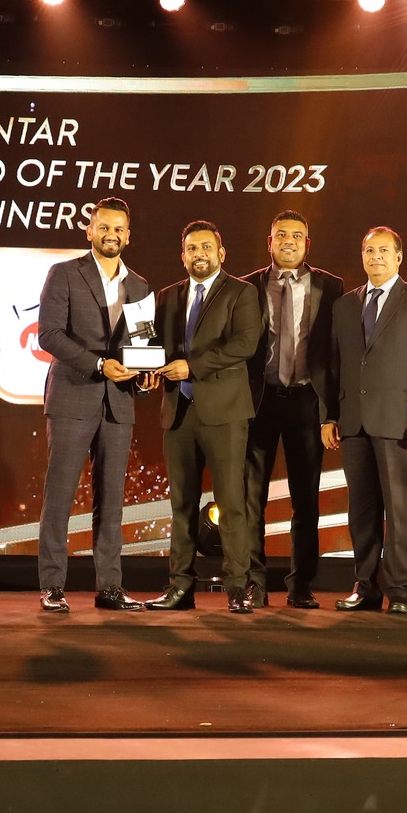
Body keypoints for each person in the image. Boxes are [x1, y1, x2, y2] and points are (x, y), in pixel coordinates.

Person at [34, 198, 150, 613]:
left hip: (119, 403)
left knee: (112, 500)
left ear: (128, 235)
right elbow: (49, 334)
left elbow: (142, 345)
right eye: (104, 227)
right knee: (60, 496)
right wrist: (99, 364)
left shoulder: (140, 286)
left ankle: (110, 587)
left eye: (118, 229)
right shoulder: (64, 273)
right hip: (72, 395)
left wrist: (145, 374)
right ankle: (52, 585)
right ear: (90, 230)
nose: (111, 235)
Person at [326, 227, 407, 614]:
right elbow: (335, 366)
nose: (375, 257)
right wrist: (330, 415)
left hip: (401, 424)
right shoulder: (345, 305)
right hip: (354, 423)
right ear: (362, 256)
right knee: (361, 510)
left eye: (383, 250)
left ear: (398, 257)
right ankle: (366, 586)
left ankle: (400, 592)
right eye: (369, 250)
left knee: (400, 509)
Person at [150, 220, 262, 612]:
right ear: (183, 256)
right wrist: (147, 371)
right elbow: (157, 347)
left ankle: (237, 588)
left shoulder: (241, 292)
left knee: (231, 504)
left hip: (225, 413)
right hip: (178, 412)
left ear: (221, 253)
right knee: (181, 505)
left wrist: (191, 367)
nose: (199, 254)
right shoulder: (167, 296)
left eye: (206, 247)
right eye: (192, 249)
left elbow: (245, 344)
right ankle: (180, 587)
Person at [244, 211, 343, 609]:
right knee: (252, 499)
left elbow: (336, 353)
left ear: (307, 243)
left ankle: (300, 584)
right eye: (281, 234)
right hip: (259, 402)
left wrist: (332, 412)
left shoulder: (330, 286)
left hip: (306, 401)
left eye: (297, 235)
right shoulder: (248, 285)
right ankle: (254, 582)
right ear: (269, 242)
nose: (289, 241)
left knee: (306, 499)